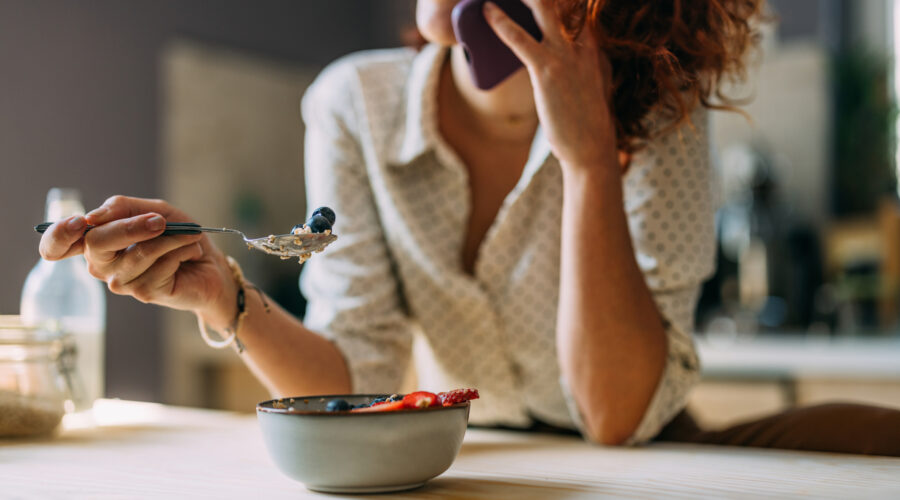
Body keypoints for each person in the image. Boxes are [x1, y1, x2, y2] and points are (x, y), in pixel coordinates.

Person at [39, 0, 900, 455]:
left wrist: (591, 160)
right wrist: (221, 295)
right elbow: (360, 379)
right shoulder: (356, 106)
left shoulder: (658, 121)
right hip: (475, 463)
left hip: (641, 455)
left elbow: (612, 418)